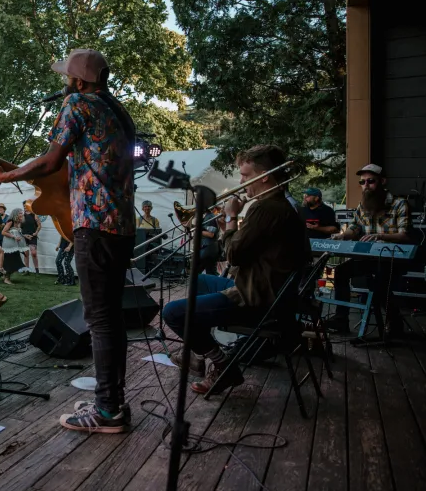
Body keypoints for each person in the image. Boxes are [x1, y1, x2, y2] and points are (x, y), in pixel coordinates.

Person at [0, 48, 135, 433]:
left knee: (100, 319)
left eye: (67, 77)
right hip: (120, 224)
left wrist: (7, 177)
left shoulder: (78, 103)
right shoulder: (118, 112)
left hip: (94, 223)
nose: (64, 83)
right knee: (111, 317)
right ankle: (112, 401)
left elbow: (52, 161)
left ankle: (107, 412)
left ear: (79, 81)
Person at [162, 145, 309, 393]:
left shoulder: (266, 208)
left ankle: (223, 366)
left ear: (264, 177)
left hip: (257, 297)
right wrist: (227, 227)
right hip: (265, 288)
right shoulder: (281, 205)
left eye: (245, 175)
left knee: (173, 313)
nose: (240, 182)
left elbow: (234, 255)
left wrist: (230, 219)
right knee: (201, 281)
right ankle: (198, 354)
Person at [324, 164, 411, 335]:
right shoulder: (362, 205)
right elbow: (355, 228)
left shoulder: (399, 204)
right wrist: (342, 236)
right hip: (369, 258)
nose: (366, 185)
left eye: (370, 181)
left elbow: (405, 235)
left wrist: (381, 237)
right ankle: (341, 320)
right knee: (340, 272)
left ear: (382, 181)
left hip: (392, 259)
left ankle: (394, 323)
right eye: (362, 182)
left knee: (379, 283)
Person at [0, 208, 27, 284]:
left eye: (22, 213)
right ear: (16, 214)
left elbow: (17, 233)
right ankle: (6, 278)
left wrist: (25, 236)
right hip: (9, 245)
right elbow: (3, 232)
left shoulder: (18, 222)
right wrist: (14, 237)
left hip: (15, 245)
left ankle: (5, 275)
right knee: (11, 261)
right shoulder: (10, 221)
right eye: (20, 213)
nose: (22, 214)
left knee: (16, 262)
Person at [21, 201, 42, 274]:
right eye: (23, 206)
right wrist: (23, 235)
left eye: (26, 206)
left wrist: (36, 233)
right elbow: (19, 228)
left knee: (33, 253)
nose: (24, 207)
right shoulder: (22, 216)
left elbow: (39, 225)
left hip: (33, 236)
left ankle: (37, 270)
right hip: (24, 236)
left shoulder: (34, 215)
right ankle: (27, 270)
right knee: (26, 254)